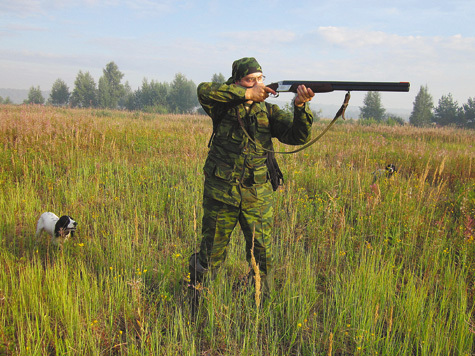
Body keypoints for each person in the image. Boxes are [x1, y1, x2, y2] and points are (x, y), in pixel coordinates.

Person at [189, 57, 315, 301]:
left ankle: (258, 302)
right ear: (238, 82)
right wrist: (245, 95)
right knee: (211, 251)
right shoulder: (222, 105)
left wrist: (300, 107)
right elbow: (203, 89)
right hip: (221, 193)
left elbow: (297, 136)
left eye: (260, 79)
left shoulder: (269, 111)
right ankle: (196, 297)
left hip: (256, 195)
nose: (257, 83)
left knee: (262, 254)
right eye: (250, 80)